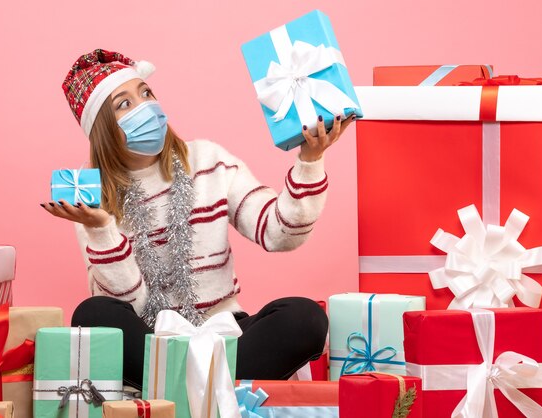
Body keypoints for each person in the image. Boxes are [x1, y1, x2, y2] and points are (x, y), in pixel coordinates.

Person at [41, 49, 355, 389]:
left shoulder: (208, 158)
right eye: (125, 104)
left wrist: (310, 160)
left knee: (305, 317)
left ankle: (178, 387)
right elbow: (129, 306)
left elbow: (278, 232)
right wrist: (101, 228)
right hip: (153, 338)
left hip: (226, 334)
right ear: (102, 129)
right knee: (93, 314)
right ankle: (213, 387)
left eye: (146, 93)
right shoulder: (90, 198)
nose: (146, 107)